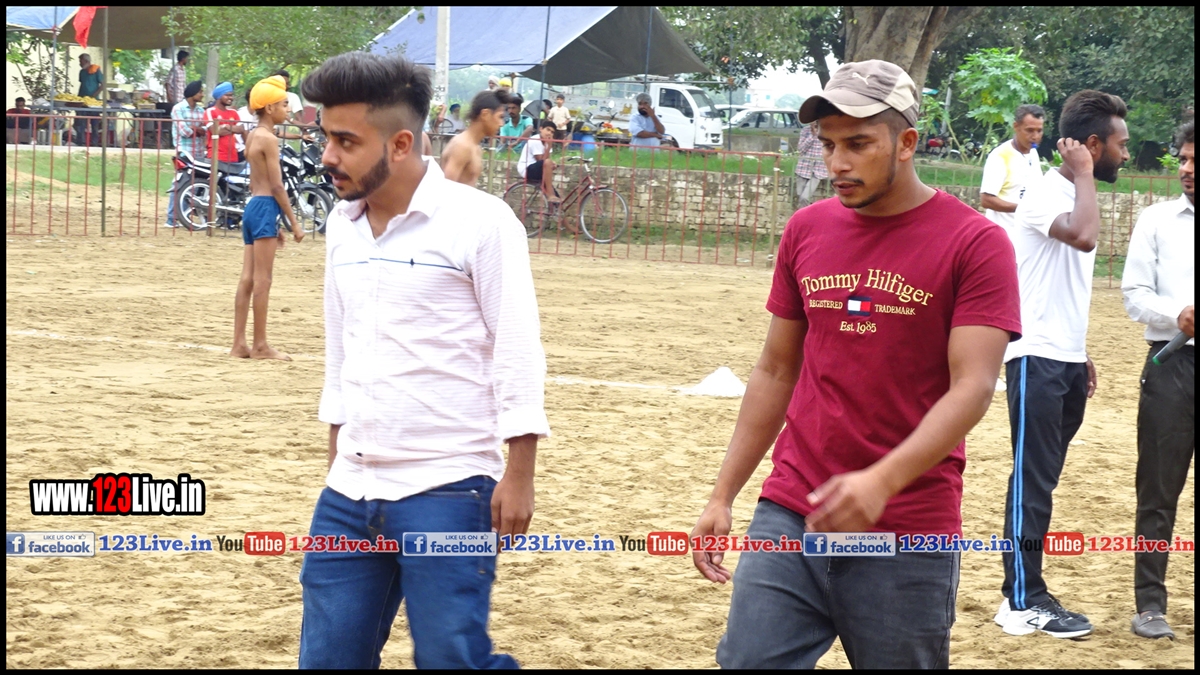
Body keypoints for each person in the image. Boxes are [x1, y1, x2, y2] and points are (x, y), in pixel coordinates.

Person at [692, 60, 1021, 669]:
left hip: (905, 528)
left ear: (906, 143)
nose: (837, 163)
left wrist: (880, 481)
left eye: (858, 144)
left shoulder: (975, 243)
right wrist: (722, 494)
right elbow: (776, 371)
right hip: (791, 512)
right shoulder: (807, 230)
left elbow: (973, 387)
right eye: (828, 145)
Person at [299, 51, 548, 669]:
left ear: (401, 143)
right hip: (350, 491)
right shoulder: (341, 225)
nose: (328, 155)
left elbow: (517, 344)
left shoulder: (483, 223)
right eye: (326, 137)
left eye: (345, 141)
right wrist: (336, 459)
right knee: (328, 661)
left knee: (450, 660)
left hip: (450, 486)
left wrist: (520, 471)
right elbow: (340, 347)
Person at [995, 89, 1130, 639]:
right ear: (1091, 145)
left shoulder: (1075, 192)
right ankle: (1021, 600)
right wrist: (1084, 175)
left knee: (1041, 479)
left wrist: (1080, 350)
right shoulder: (1042, 192)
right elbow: (1083, 237)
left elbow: (1060, 281)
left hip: (1065, 357)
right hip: (1035, 357)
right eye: (1119, 145)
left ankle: (1024, 591)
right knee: (1032, 479)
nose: (1127, 155)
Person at [1120, 119, 1193, 641]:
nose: (1186, 169)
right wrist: (1178, 315)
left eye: (1195, 161)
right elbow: (1134, 294)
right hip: (1172, 364)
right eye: (1184, 159)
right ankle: (1149, 605)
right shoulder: (1157, 220)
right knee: (1158, 490)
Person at [230, 75, 303, 361]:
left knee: (247, 278)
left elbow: (255, 183)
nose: (287, 109)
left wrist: (273, 221)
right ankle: (260, 345)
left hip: (254, 207)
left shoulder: (252, 136)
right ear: (270, 108)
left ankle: (239, 343)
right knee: (263, 280)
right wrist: (293, 222)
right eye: (284, 104)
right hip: (265, 207)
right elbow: (277, 186)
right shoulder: (270, 139)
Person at [981, 104, 1046, 233]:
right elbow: (986, 200)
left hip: (1026, 234)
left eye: (1039, 131)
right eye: (1029, 130)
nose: (1035, 136)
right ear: (1016, 126)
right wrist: (1023, 209)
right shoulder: (1000, 156)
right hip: (1003, 235)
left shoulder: (1033, 153)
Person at [440, 89, 510, 186]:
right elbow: (446, 189)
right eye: (500, 117)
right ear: (485, 114)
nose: (501, 124)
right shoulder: (462, 146)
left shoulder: (475, 148)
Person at [165, 80, 207, 229]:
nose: (202, 94)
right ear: (192, 93)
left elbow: (205, 130)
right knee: (180, 183)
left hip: (199, 151)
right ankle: (171, 218)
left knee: (193, 185)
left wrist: (195, 128)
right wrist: (198, 129)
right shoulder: (178, 108)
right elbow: (184, 131)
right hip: (184, 151)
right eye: (200, 92)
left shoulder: (201, 111)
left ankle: (183, 215)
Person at [202, 81, 243, 164]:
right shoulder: (210, 111)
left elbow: (241, 129)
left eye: (231, 95)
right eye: (227, 95)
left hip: (233, 156)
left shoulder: (234, 112)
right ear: (219, 96)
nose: (231, 98)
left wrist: (226, 126)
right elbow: (215, 131)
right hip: (216, 156)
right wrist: (232, 129)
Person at [792, 122, 827, 206]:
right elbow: (801, 149)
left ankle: (804, 214)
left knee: (805, 197)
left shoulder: (826, 130)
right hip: (803, 168)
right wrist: (812, 135)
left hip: (818, 170)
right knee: (800, 196)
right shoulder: (805, 130)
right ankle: (805, 212)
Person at [73, 53, 104, 145]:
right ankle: (81, 142)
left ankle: (94, 143)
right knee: (80, 124)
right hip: (82, 101)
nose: (80, 63)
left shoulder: (96, 71)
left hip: (94, 103)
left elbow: (103, 85)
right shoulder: (82, 72)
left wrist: (93, 96)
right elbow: (82, 84)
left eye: (81, 61)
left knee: (94, 125)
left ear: (86, 61)